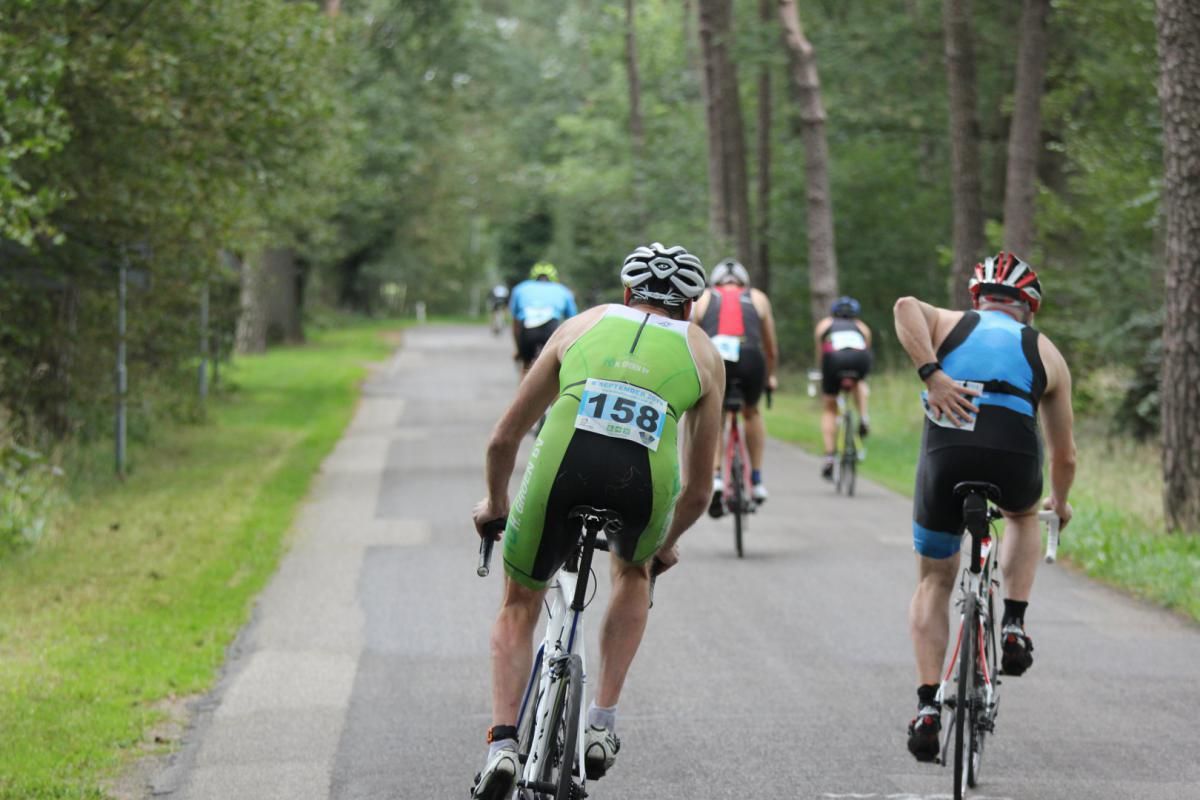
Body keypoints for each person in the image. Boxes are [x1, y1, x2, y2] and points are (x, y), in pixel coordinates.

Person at [470, 243, 725, 799]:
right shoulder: (705, 353)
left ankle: (503, 745)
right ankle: (601, 724)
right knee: (633, 572)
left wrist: (495, 503)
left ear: (627, 293)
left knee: (519, 602)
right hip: (643, 486)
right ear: (690, 306)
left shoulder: (581, 324)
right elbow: (700, 490)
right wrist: (664, 544)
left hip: (561, 467)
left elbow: (502, 439)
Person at [892, 251, 1076, 763]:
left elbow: (904, 306)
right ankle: (1013, 623)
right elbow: (1065, 454)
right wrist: (1059, 502)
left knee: (934, 581)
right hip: (1014, 457)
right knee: (1021, 515)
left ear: (977, 299)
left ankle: (928, 707)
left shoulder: (948, 322)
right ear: (1029, 308)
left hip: (947, 453)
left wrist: (933, 374)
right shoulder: (1046, 351)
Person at [691, 258, 778, 510]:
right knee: (751, 412)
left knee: (716, 413)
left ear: (715, 281)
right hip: (751, 355)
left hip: (716, 355)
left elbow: (693, 339)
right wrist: (769, 376)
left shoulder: (704, 297)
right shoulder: (758, 297)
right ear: (743, 282)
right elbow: (770, 347)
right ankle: (757, 479)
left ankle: (717, 475)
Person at [814, 296, 873, 480]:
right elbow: (866, 349)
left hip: (833, 360)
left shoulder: (825, 324)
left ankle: (830, 456)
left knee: (829, 408)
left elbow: (820, 353)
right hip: (859, 359)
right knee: (859, 382)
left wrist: (823, 372)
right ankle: (863, 417)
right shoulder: (862, 327)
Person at [508, 262, 577, 378]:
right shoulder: (563, 290)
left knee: (526, 366)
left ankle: (524, 385)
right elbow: (573, 320)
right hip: (551, 328)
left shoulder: (520, 288)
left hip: (527, 330)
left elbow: (516, 324)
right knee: (554, 371)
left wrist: (519, 350)